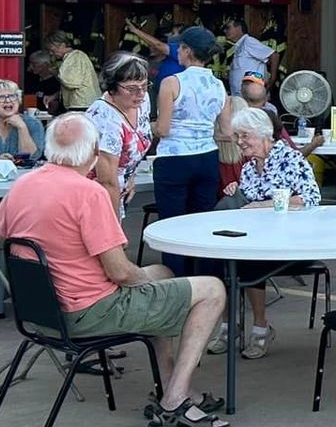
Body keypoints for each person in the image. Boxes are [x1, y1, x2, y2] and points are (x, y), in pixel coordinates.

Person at [0, 114, 230, 427]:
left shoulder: (24, 185)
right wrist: (147, 286)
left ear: (50, 149)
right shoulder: (88, 193)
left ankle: (171, 384)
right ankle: (174, 402)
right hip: (89, 313)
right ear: (93, 152)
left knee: (162, 273)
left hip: (44, 313)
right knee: (212, 289)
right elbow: (119, 272)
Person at [220, 106, 322, 358]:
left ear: (264, 134)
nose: (239, 142)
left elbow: (312, 196)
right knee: (219, 258)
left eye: (245, 136)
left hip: (292, 241)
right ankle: (228, 326)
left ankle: (260, 329)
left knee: (248, 263)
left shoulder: (290, 159)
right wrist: (238, 193)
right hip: (258, 239)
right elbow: (247, 205)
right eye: (237, 136)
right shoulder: (247, 168)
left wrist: (263, 204)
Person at [151, 25, 225, 276]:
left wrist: (145, 126)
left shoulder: (172, 82)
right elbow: (224, 130)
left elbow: (163, 128)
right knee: (202, 222)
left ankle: (177, 283)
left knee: (172, 225)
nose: (177, 52)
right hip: (207, 156)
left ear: (187, 51)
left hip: (174, 157)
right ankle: (205, 279)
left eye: (179, 47)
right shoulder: (218, 84)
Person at [83, 52, 154, 221]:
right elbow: (106, 182)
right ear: (112, 86)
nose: (141, 94)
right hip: (95, 196)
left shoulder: (142, 101)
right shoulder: (104, 118)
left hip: (120, 190)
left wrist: (130, 176)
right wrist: (114, 229)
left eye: (144, 86)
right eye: (131, 88)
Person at [222, 15, 274, 98]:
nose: (225, 31)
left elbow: (274, 55)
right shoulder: (239, 46)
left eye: (228, 28)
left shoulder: (248, 41)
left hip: (251, 97)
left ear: (238, 28)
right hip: (241, 96)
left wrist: (272, 80)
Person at [45, 30, 98, 111]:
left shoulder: (76, 57)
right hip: (82, 104)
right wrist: (54, 96)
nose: (51, 53)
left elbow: (71, 82)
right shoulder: (72, 57)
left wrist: (55, 73)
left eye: (52, 50)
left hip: (82, 105)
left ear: (62, 45)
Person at [25, 48, 64, 115]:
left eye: (34, 64)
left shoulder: (55, 82)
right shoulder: (31, 79)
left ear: (45, 64)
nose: (31, 67)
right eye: (30, 64)